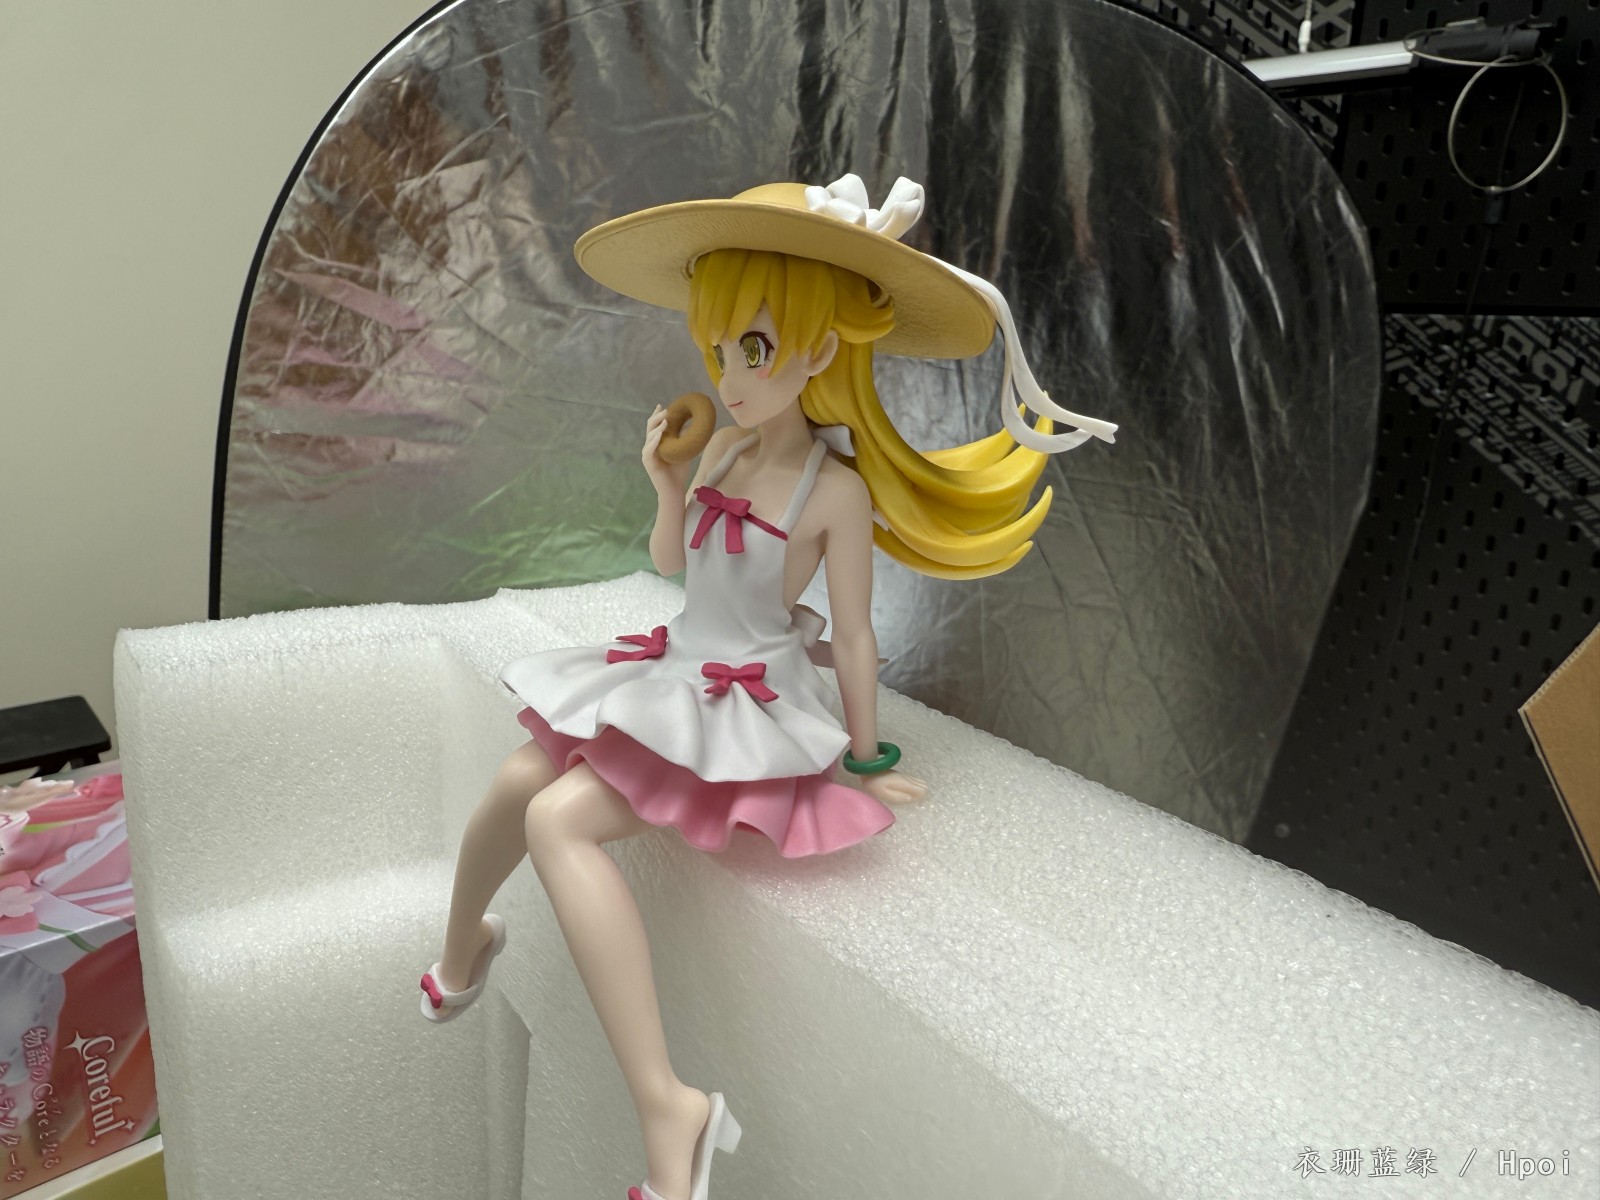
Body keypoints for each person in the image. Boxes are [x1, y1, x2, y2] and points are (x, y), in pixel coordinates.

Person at [417, 174, 1117, 1200]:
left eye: (755, 347)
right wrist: (667, 484)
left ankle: (669, 1108)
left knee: (559, 818)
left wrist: (867, 756)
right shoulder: (724, 448)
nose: (733, 376)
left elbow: (857, 635)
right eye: (720, 350)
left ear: (821, 351)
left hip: (740, 698)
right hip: (672, 663)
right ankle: (464, 946)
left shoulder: (836, 492)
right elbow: (673, 564)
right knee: (522, 774)